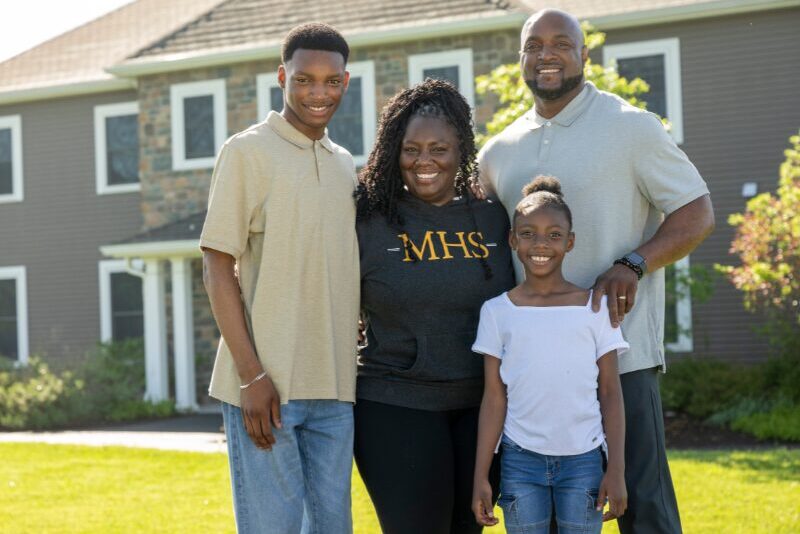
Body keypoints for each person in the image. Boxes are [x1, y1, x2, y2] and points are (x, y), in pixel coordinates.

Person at [478, 8, 715, 533]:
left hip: (621, 355)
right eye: (534, 45)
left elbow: (696, 212)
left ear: (585, 55)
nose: (546, 55)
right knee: (549, 516)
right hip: (532, 372)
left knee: (643, 508)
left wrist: (634, 263)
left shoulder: (631, 128)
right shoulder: (497, 151)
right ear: (521, 58)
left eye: (561, 43)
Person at [200, 23, 359, 534]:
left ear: (346, 82)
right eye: (304, 79)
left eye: (331, 81)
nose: (318, 93)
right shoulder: (247, 152)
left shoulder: (344, 166)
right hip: (266, 389)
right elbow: (217, 264)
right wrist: (252, 376)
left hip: (335, 388)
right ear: (281, 78)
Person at [353, 79, 516, 534]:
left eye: (439, 149)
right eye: (411, 149)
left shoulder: (493, 218)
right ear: (393, 151)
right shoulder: (367, 220)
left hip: (482, 409)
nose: (424, 162)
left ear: (461, 149)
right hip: (394, 402)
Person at [471, 175, 628, 533]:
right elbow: (494, 398)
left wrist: (615, 469)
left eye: (554, 235)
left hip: (584, 462)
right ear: (512, 239)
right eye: (528, 233)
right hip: (520, 462)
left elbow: (610, 392)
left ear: (570, 242)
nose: (540, 243)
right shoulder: (497, 312)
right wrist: (481, 475)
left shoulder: (595, 307)